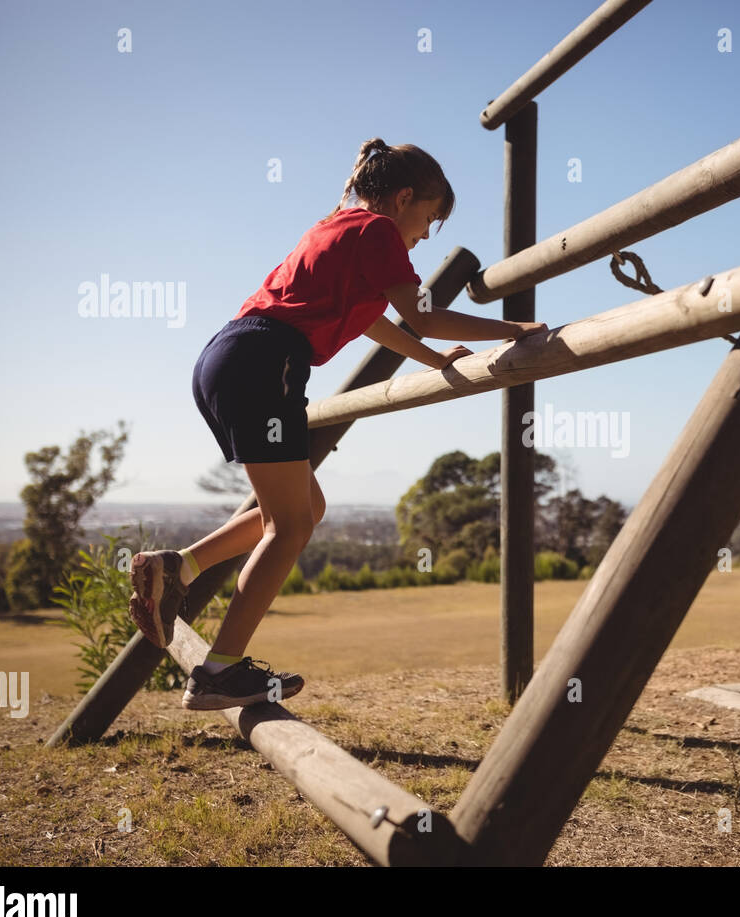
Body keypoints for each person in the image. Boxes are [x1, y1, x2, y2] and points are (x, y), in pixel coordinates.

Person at [127, 138, 548, 711]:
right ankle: (219, 673)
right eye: (428, 220)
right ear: (403, 200)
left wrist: (435, 362)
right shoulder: (376, 232)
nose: (424, 235)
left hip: (230, 356)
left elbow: (378, 323)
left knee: (305, 508)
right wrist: (516, 330)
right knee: (290, 526)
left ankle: (178, 566)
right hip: (264, 364)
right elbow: (423, 314)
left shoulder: (336, 227)